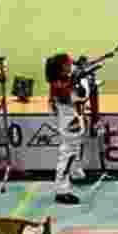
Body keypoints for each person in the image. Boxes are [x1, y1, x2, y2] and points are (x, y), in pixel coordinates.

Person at [46, 53, 88, 204]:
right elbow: (77, 96)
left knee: (74, 150)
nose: (71, 65)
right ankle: (62, 190)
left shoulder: (61, 80)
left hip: (72, 119)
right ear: (60, 68)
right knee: (67, 154)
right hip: (69, 123)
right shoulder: (59, 85)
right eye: (68, 64)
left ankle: (76, 174)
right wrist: (78, 80)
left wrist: (78, 76)